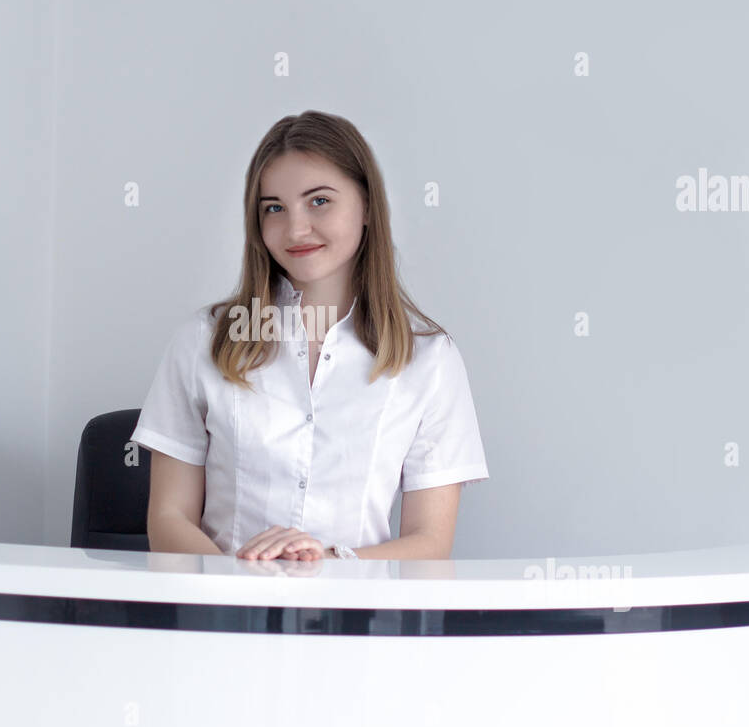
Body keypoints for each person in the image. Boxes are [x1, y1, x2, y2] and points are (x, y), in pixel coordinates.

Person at [131, 110, 488, 561]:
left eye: (319, 201)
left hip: (357, 620)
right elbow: (168, 519)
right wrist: (241, 585)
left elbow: (430, 543)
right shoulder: (205, 340)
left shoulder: (430, 359)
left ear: (367, 208)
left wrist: (329, 563)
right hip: (225, 616)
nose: (296, 229)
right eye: (274, 208)